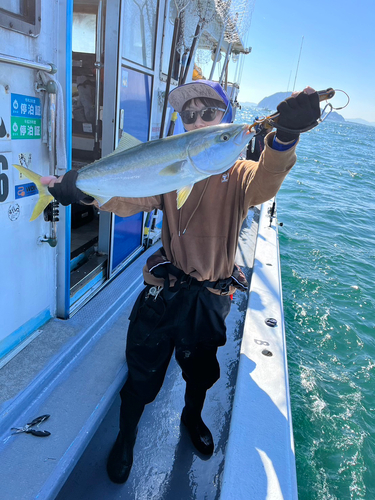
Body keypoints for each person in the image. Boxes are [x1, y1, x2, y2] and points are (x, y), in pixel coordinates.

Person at [41, 80, 320, 484]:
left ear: (224, 118)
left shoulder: (240, 175)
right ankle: (126, 437)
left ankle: (192, 418)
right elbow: (127, 199)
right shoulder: (170, 176)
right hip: (164, 291)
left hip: (209, 297)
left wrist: (286, 136)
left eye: (209, 113)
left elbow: (268, 181)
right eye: (189, 116)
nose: (198, 120)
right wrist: (83, 192)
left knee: (201, 372)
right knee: (142, 369)